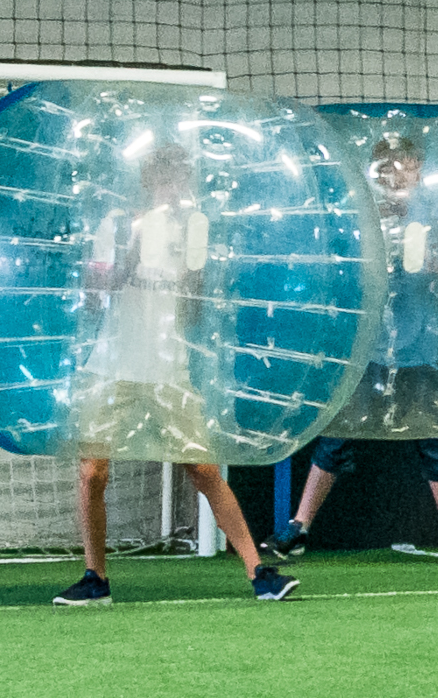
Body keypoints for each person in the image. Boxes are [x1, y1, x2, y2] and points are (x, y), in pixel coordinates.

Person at [54, 143, 295, 604]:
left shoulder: (194, 227)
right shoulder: (118, 222)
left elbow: (193, 311)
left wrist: (190, 270)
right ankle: (95, 578)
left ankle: (259, 570)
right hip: (111, 364)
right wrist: (125, 260)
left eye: (180, 178)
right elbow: (90, 297)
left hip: (168, 364)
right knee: (92, 472)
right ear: (148, 179)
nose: (173, 186)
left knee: (203, 467)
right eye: (165, 177)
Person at [273, 128, 438, 565]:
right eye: (386, 167)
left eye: (403, 165)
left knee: (435, 437)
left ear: (419, 170)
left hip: (422, 340)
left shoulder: (435, 217)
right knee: (337, 432)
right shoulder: (363, 216)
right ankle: (298, 528)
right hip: (372, 342)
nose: (395, 174)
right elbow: (344, 277)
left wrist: (427, 260)